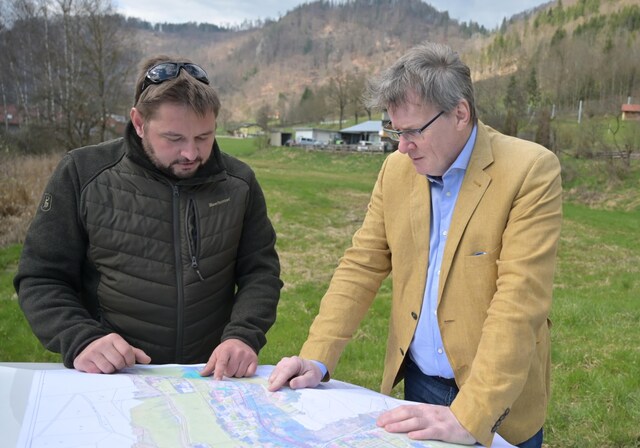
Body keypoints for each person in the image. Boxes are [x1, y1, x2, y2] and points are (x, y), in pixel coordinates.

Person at [268, 42, 562, 447]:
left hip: (498, 399)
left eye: (413, 132)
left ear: (460, 113)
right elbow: (361, 265)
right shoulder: (396, 171)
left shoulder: (530, 170)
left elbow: (520, 301)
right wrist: (317, 356)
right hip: (420, 384)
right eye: (394, 131)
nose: (401, 146)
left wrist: (472, 415)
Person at [14, 56, 283, 380]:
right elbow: (41, 277)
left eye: (204, 137)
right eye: (174, 138)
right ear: (139, 122)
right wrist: (80, 337)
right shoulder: (82, 173)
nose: (191, 153)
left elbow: (260, 272)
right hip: (113, 377)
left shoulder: (239, 183)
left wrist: (244, 335)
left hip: (212, 380)